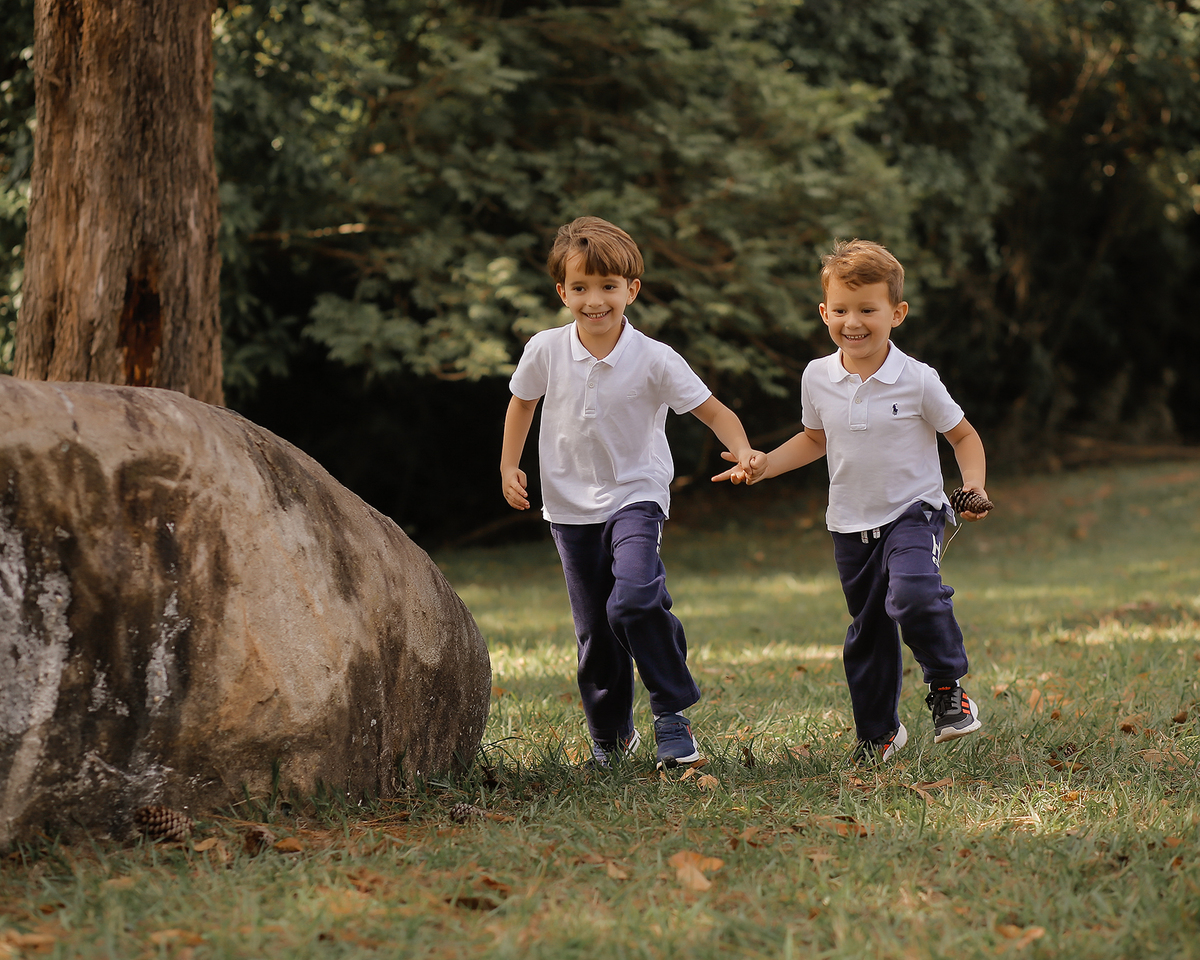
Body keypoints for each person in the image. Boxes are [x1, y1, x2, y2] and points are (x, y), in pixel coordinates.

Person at [501, 216, 766, 770]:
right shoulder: (545, 350)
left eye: (607, 287)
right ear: (562, 292)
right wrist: (509, 465)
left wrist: (743, 452)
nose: (594, 301)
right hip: (569, 507)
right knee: (596, 631)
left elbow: (714, 411)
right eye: (580, 288)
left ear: (631, 290)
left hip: (636, 495)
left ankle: (671, 711)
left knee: (636, 599)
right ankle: (612, 736)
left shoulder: (655, 358)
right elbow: (522, 403)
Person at [715, 238, 990, 764]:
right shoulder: (817, 376)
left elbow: (965, 437)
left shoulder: (917, 379)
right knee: (868, 632)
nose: (853, 321)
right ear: (824, 313)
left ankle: (947, 688)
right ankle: (879, 733)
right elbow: (816, 439)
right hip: (849, 524)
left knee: (912, 593)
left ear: (897, 313)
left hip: (914, 512)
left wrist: (974, 486)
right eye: (841, 310)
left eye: (868, 309)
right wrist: (765, 463)